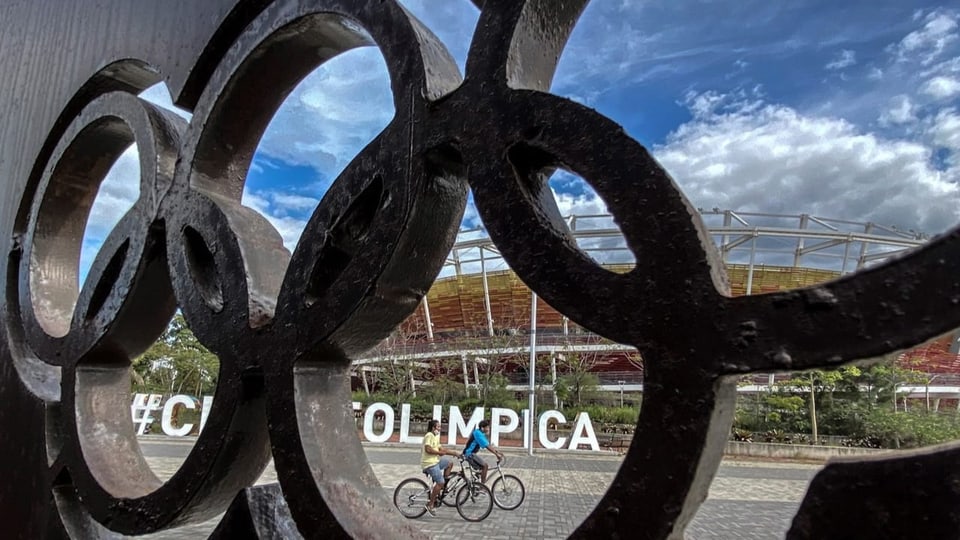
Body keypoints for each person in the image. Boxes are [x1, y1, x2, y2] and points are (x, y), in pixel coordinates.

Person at [420, 419, 458, 515]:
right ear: (433, 428)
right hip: (429, 464)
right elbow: (428, 449)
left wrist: (455, 453)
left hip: (435, 461)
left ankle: (442, 487)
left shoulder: (435, 437)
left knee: (449, 463)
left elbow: (442, 449)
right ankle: (430, 504)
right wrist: (439, 453)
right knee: (440, 482)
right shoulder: (429, 435)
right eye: (438, 427)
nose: (440, 429)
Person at [463, 419, 504, 483]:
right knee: (485, 466)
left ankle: (475, 484)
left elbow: (488, 444)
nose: (488, 429)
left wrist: (497, 452)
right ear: (482, 428)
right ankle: (482, 486)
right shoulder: (478, 434)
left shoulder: (480, 433)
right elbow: (487, 446)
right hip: (469, 454)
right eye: (487, 427)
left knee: (481, 470)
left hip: (471, 454)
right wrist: (496, 454)